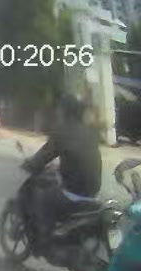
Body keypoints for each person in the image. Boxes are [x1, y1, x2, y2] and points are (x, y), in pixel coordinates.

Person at [21, 94, 102, 247]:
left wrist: (30, 164)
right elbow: (78, 159)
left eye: (59, 109)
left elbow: (43, 157)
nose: (57, 113)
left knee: (42, 195)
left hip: (73, 193)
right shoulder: (90, 132)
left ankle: (44, 238)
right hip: (93, 192)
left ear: (64, 111)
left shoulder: (62, 132)